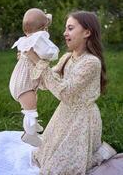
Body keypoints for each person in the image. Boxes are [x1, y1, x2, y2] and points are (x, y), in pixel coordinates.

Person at [24, 11, 120, 174]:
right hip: (64, 114)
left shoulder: (91, 62)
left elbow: (65, 92)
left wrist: (39, 62)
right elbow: (47, 84)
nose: (64, 33)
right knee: (46, 156)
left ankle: (99, 153)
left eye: (70, 28)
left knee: (61, 168)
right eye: (65, 28)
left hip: (82, 119)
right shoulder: (67, 57)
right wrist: (30, 60)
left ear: (87, 32)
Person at [9, 8, 59, 147]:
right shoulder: (38, 38)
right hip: (24, 85)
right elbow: (49, 52)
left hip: (18, 82)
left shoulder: (25, 39)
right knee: (31, 110)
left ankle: (33, 125)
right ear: (43, 28)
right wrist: (53, 52)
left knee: (31, 103)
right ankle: (30, 135)